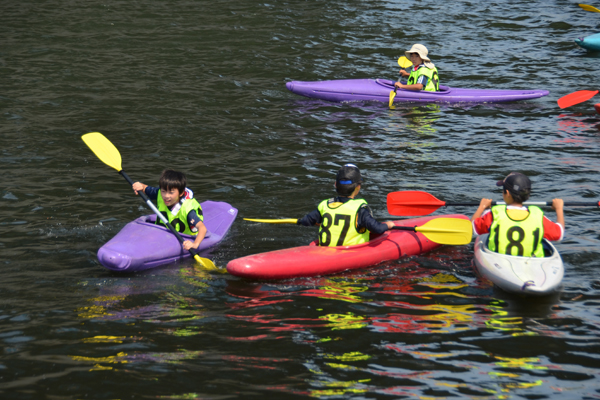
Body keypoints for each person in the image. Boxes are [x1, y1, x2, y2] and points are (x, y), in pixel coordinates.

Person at [297, 164, 396, 247]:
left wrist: (306, 221)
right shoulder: (360, 209)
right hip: (349, 253)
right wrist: (388, 225)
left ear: (335, 185)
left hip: (324, 252)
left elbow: (306, 221)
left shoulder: (325, 205)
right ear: (358, 187)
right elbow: (377, 229)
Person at [471, 172, 565, 257]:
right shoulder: (538, 216)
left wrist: (482, 207)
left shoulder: (494, 214)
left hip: (499, 259)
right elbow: (559, 234)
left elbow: (470, 229)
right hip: (530, 262)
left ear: (507, 193)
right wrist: (559, 209)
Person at [132, 169, 207, 251]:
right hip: (163, 234)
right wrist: (140, 186)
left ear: (181, 193)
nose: (166, 196)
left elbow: (202, 228)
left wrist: (195, 244)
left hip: (184, 237)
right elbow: (145, 188)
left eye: (171, 193)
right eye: (163, 191)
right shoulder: (160, 193)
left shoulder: (187, 209)